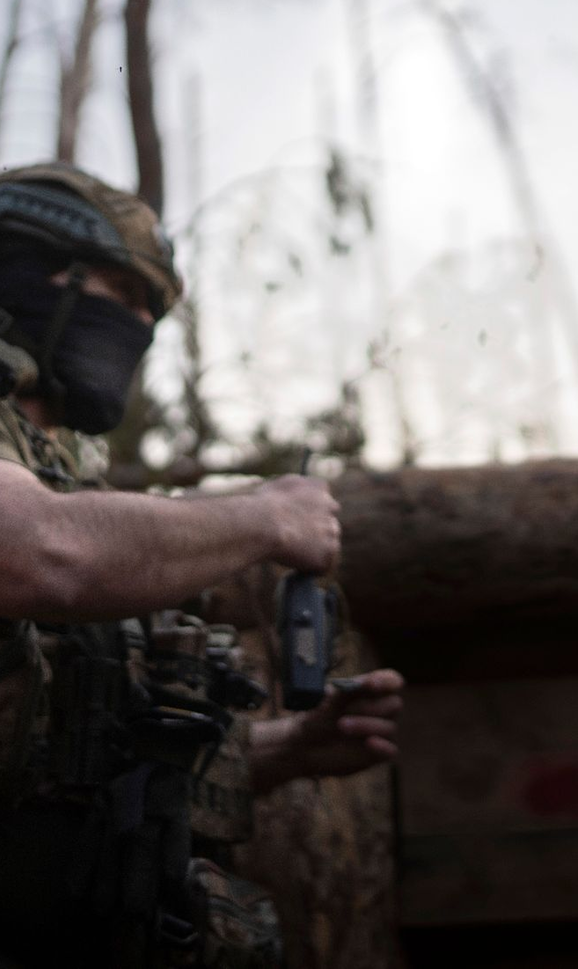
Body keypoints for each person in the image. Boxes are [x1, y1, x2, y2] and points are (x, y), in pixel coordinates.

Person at [0, 162, 403, 967]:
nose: (140, 324)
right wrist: (264, 515)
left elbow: (74, 762)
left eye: (154, 309)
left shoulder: (66, 474)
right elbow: (37, 553)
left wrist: (288, 748)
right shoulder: (55, 515)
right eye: (123, 292)